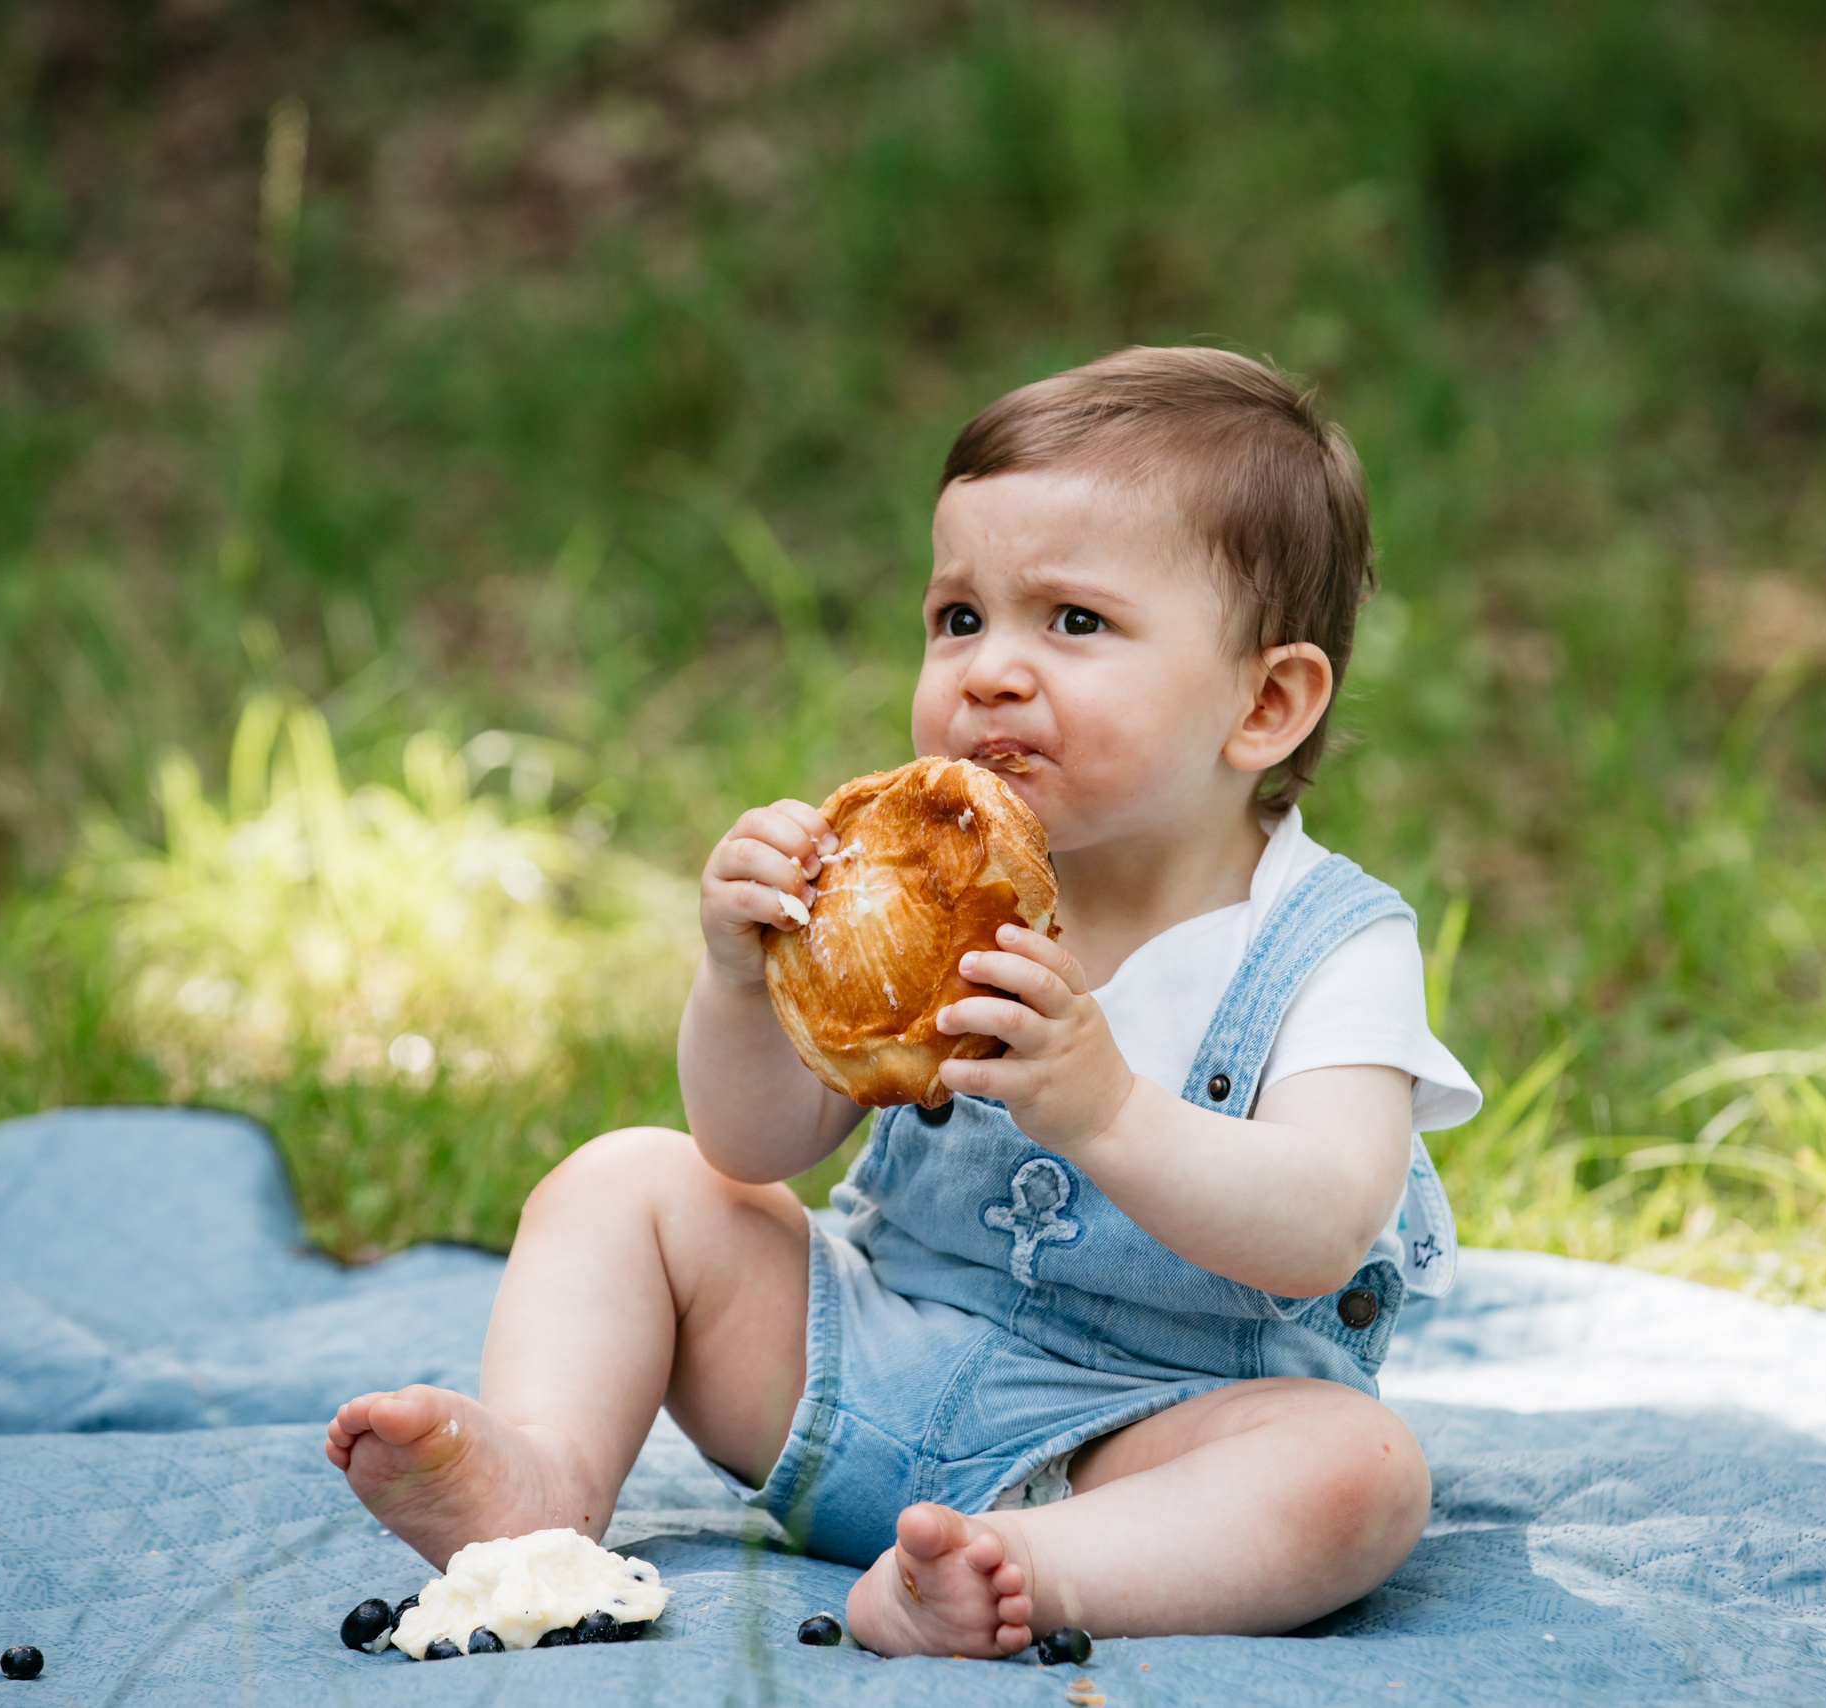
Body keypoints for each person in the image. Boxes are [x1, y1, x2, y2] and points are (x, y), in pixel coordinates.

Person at [325, 346, 1481, 1656]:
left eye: (1075, 622)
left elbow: (1321, 1226)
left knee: (1357, 1472)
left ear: (1266, 702)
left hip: (1146, 1447)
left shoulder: (1330, 945)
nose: (989, 671)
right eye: (959, 618)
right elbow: (752, 1148)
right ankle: (543, 1482)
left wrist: (1108, 1113)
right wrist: (742, 980)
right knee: (627, 1182)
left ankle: (1017, 1572)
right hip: (867, 1376)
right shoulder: (909, 894)